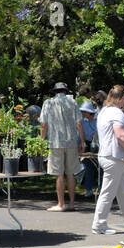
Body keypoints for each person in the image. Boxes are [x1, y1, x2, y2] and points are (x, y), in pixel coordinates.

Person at [91, 85, 124, 235]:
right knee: (107, 193)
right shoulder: (117, 113)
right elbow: (120, 135)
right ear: (120, 99)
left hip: (108, 156)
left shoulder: (104, 111)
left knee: (123, 193)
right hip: (114, 157)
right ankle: (99, 225)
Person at [40, 82, 83, 212]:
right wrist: (82, 141)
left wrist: (41, 141)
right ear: (65, 91)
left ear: (55, 91)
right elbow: (79, 123)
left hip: (55, 142)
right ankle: (72, 204)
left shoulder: (48, 103)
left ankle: (61, 204)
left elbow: (43, 125)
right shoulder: (73, 102)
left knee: (58, 174)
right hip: (71, 142)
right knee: (70, 173)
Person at [77, 100, 99, 197]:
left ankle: (102, 188)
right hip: (86, 144)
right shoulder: (82, 121)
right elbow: (80, 134)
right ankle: (88, 189)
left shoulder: (98, 120)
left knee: (101, 168)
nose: (83, 113)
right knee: (88, 167)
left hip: (97, 145)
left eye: (84, 112)